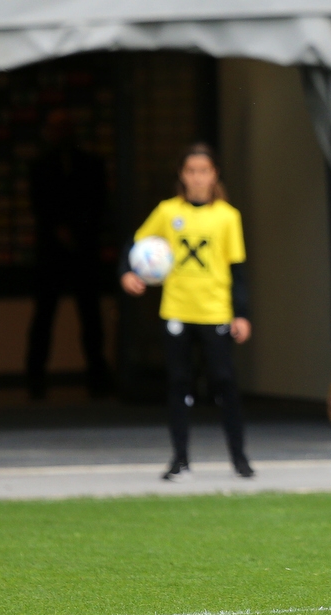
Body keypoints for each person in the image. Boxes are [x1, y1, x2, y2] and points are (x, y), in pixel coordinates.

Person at [119, 144, 254, 481]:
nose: (197, 178)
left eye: (203, 171)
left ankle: (239, 458)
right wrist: (127, 272)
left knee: (224, 383)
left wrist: (241, 314)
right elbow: (134, 244)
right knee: (179, 383)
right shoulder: (167, 212)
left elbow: (237, 271)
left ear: (214, 174)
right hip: (178, 311)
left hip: (215, 312)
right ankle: (180, 459)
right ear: (182, 175)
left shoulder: (227, 216)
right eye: (191, 171)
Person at [26, 109, 110, 399]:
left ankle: (97, 375)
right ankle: (34, 377)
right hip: (51, 253)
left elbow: (99, 205)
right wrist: (58, 230)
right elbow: (38, 207)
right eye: (55, 127)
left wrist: (78, 233)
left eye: (65, 127)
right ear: (48, 131)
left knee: (90, 316)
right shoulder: (39, 166)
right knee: (43, 316)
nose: (60, 133)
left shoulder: (91, 164)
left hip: (84, 250)